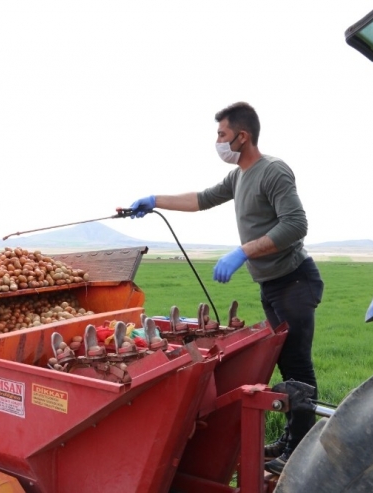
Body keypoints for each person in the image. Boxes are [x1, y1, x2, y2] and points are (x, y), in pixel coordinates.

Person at [129, 101, 324, 475]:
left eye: (222, 134)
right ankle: (291, 439)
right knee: (286, 361)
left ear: (242, 135)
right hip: (272, 285)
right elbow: (201, 199)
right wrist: (155, 201)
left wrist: (243, 251)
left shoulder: (272, 171)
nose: (218, 141)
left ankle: (300, 451)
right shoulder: (238, 178)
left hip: (295, 281)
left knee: (298, 365)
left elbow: (296, 224)